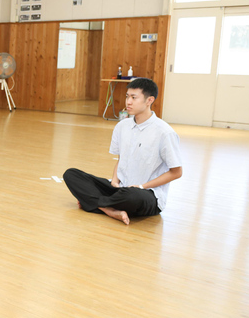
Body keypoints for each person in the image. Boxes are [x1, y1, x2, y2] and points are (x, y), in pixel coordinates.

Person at [63, 77, 182, 225]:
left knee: (132, 196)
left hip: (146, 194)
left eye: (134, 97)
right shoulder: (122, 126)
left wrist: (141, 186)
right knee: (71, 174)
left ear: (149, 100)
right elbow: (121, 159)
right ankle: (109, 209)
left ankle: (93, 202)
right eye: (127, 97)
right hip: (120, 189)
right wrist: (114, 180)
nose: (128, 102)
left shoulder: (164, 132)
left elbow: (176, 172)